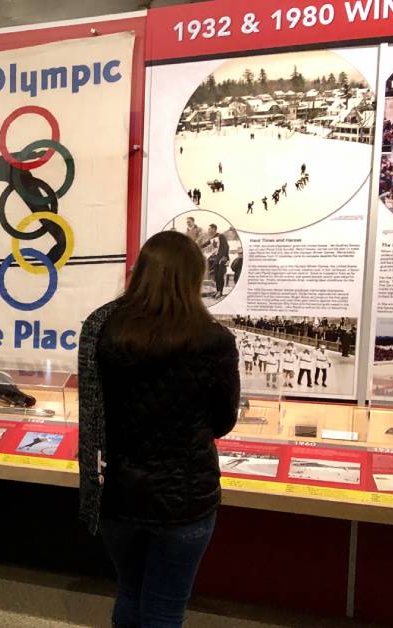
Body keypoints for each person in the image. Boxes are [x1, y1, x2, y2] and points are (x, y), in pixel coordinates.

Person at [77, 231, 239, 628]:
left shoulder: (101, 327)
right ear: (194, 277)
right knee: (164, 609)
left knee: (130, 593)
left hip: (117, 492)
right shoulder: (214, 341)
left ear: (141, 272)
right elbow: (223, 422)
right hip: (184, 497)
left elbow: (92, 412)